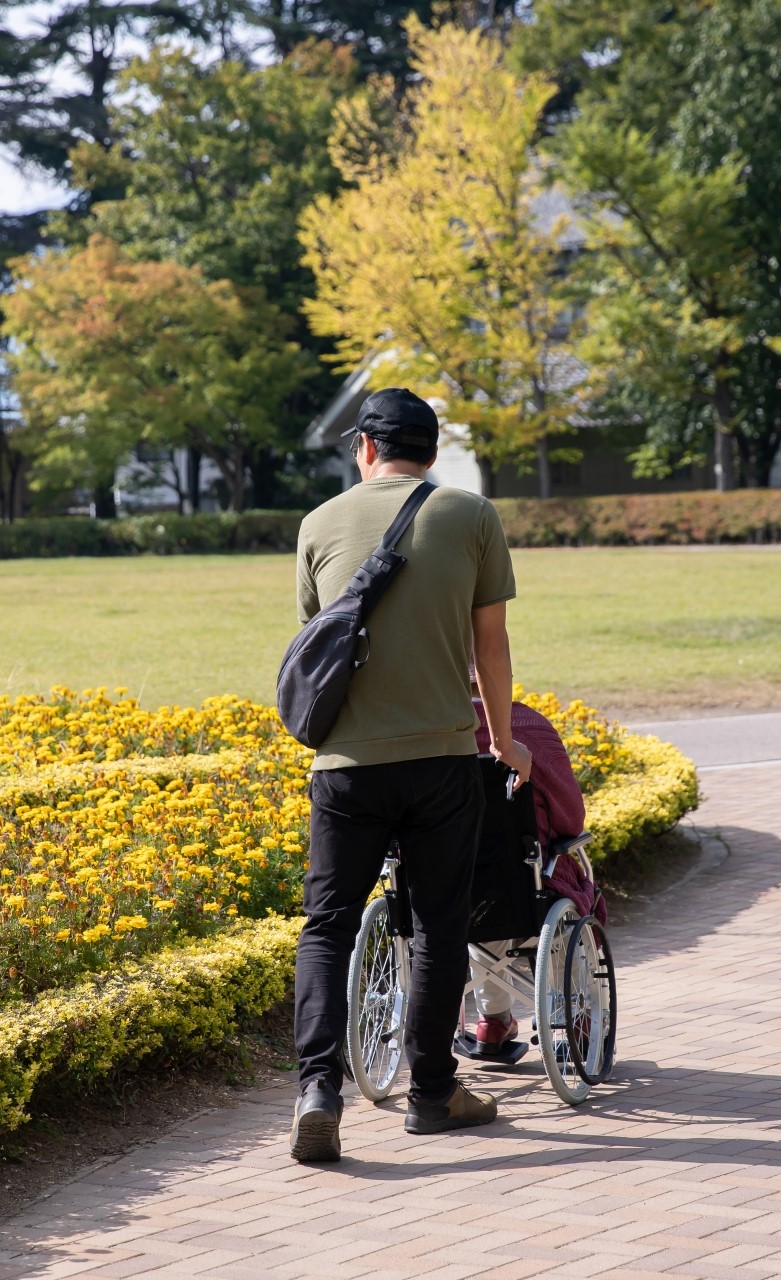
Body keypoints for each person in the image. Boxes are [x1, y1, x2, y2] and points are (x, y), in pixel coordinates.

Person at [288, 387, 532, 1164]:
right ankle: (432, 1094)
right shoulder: (472, 516)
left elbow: (318, 642)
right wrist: (506, 740)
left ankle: (317, 1090)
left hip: (347, 767)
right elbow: (489, 646)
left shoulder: (319, 523)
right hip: (442, 761)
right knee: (438, 926)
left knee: (327, 925)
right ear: (433, 453)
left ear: (364, 445)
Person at [458, 690, 585, 1061]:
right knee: (537, 889)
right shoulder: (528, 727)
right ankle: (573, 1016)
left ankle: (492, 1021)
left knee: (475, 893)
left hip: (448, 885)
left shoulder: (421, 731)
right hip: (523, 883)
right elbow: (570, 818)